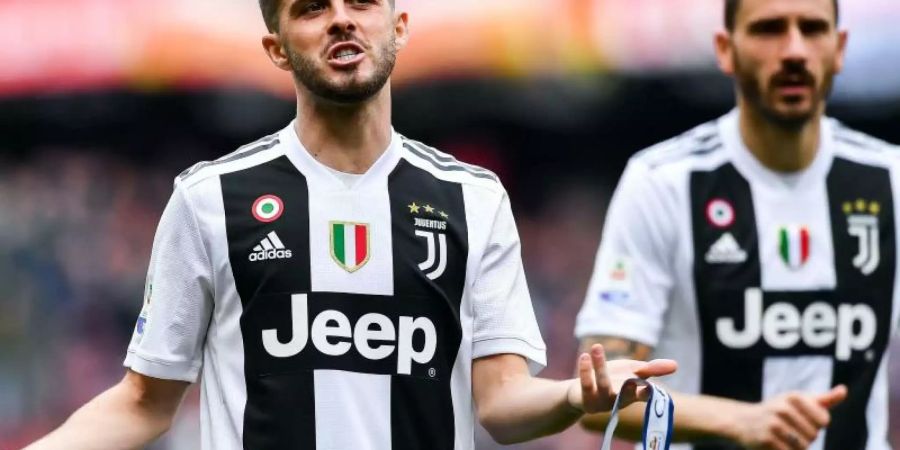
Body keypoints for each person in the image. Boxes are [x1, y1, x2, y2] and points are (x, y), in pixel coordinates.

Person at [24, 1, 676, 449]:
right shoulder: (210, 199)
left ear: (399, 23)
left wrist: (572, 397)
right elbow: (143, 403)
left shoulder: (471, 200)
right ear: (276, 47)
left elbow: (501, 402)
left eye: (361, 2)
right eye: (311, 7)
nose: (340, 18)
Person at [575, 0, 899, 449]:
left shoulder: (891, 180)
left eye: (812, 29)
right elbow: (601, 395)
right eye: (769, 29)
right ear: (725, 49)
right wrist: (738, 420)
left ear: (839, 47)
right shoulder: (664, 182)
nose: (794, 50)